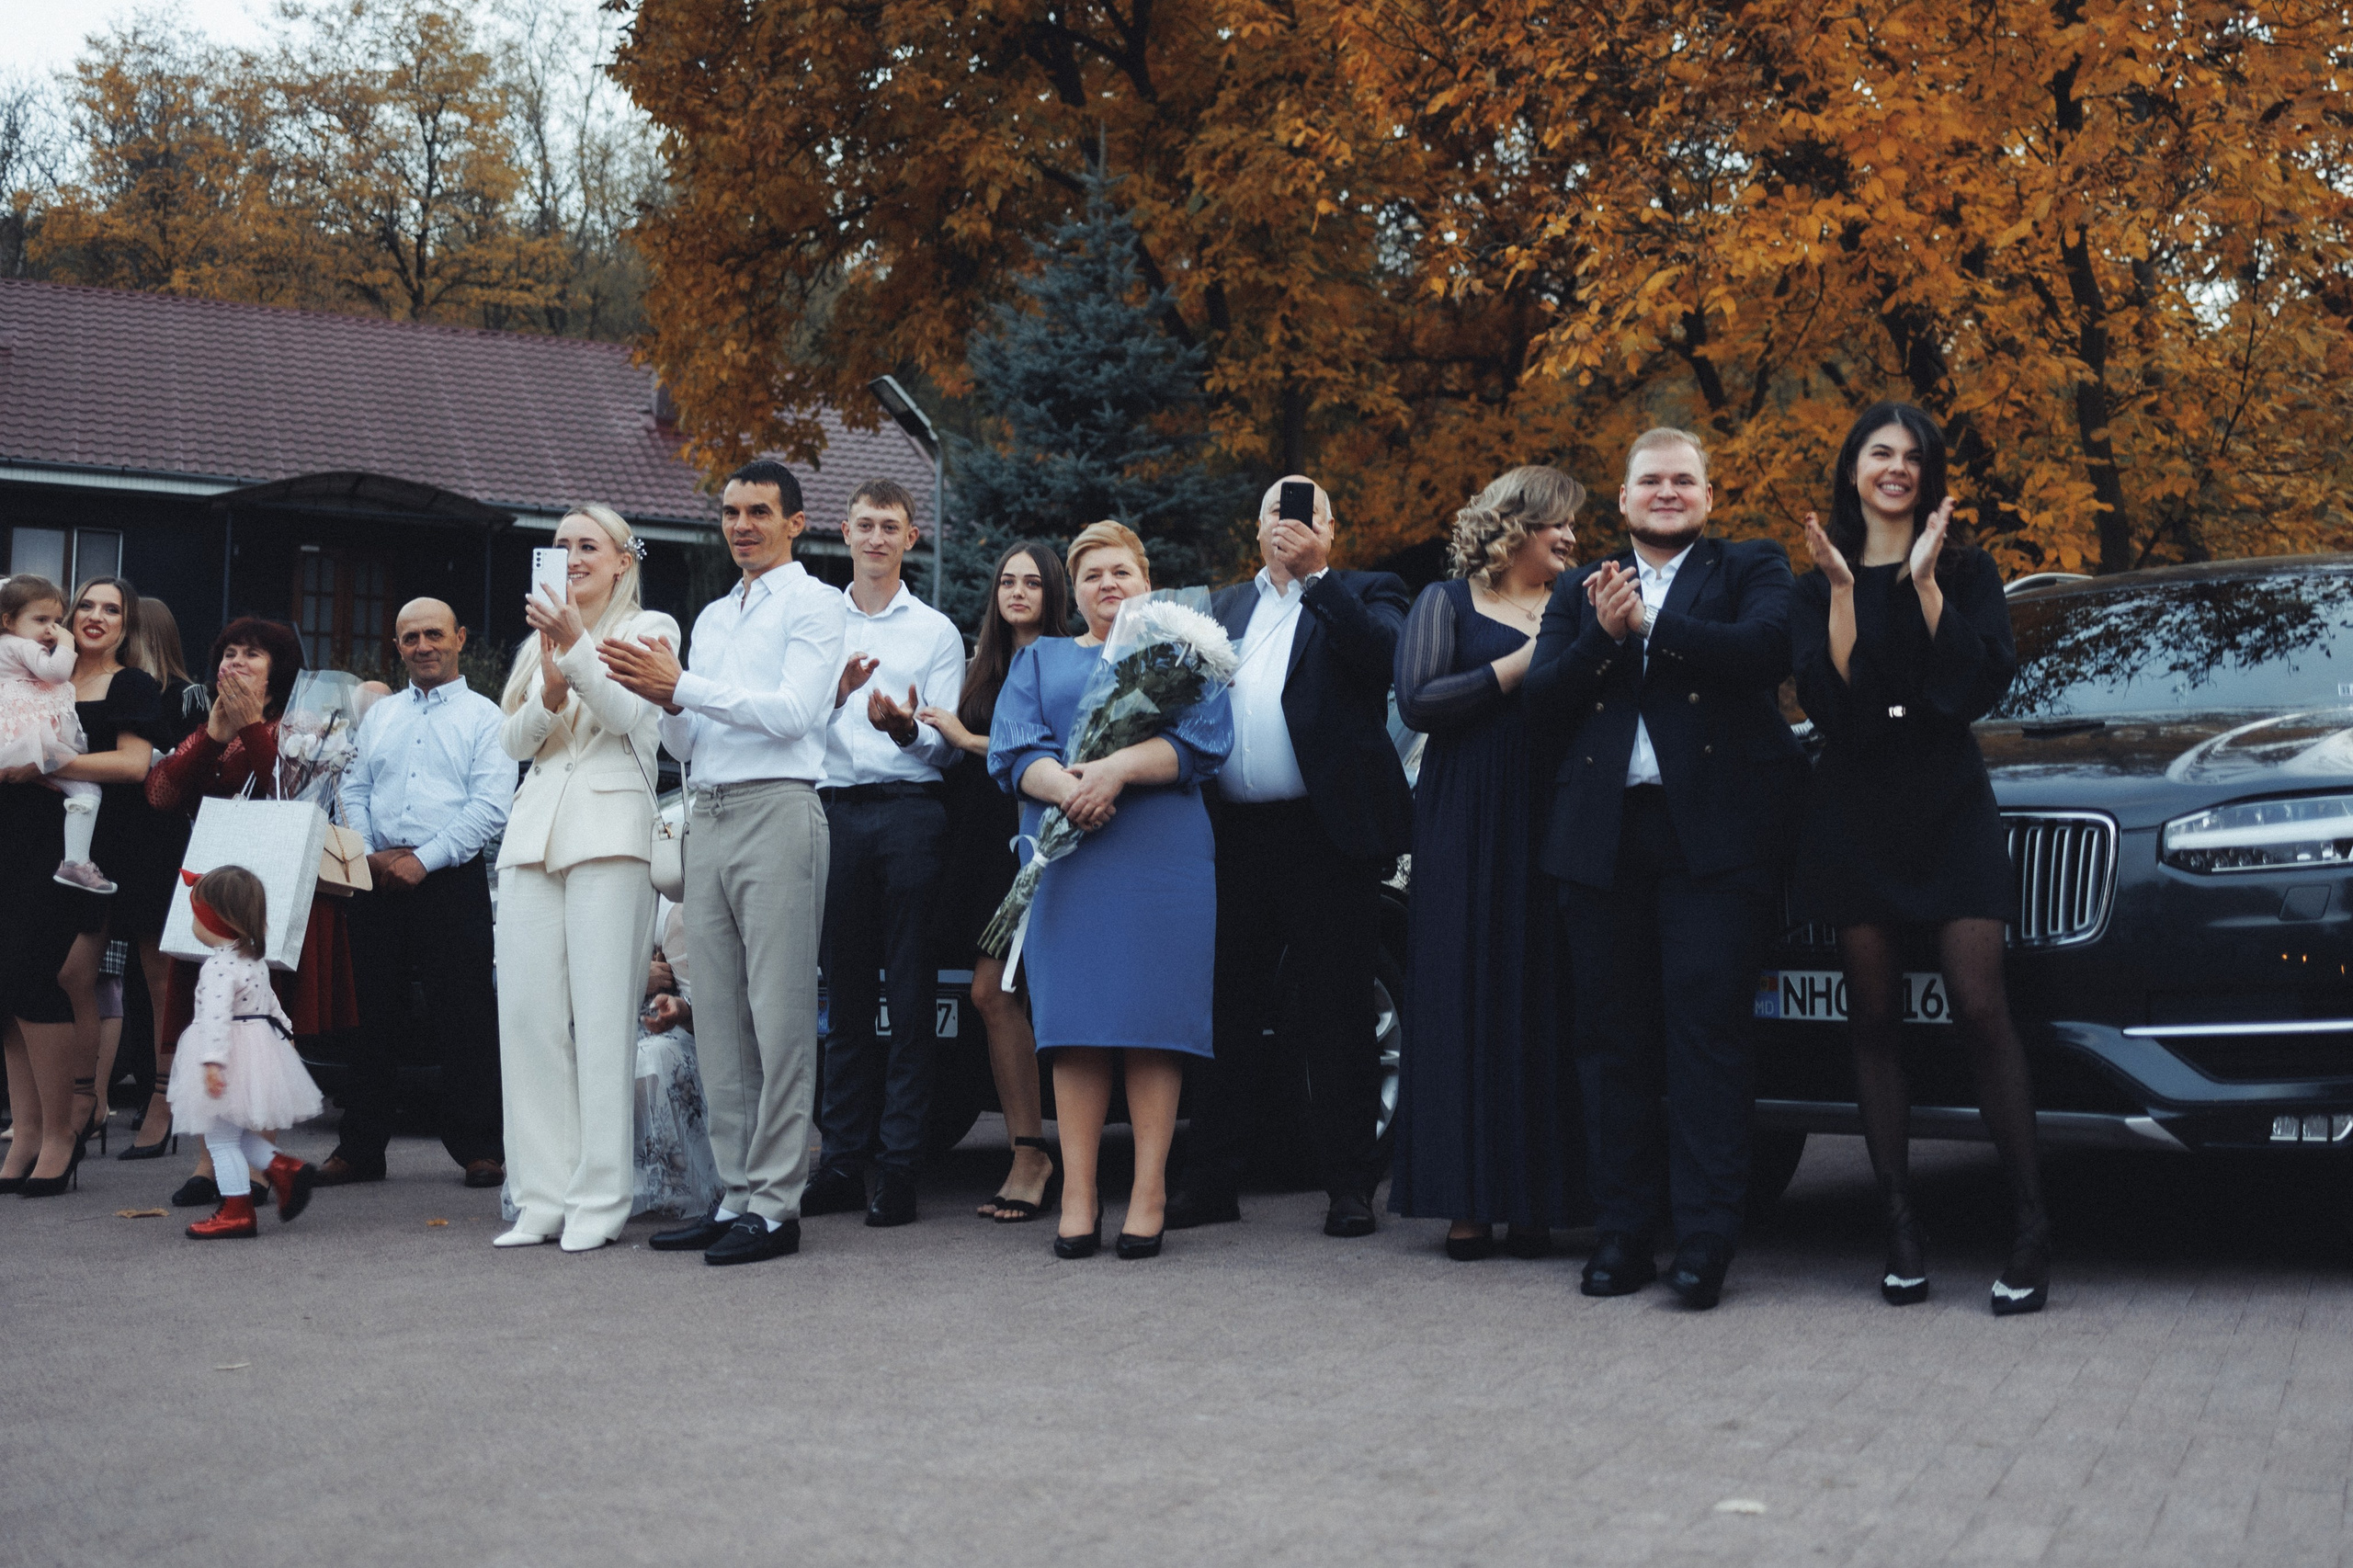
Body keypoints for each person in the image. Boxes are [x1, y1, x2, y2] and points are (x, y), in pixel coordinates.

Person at [1523, 427, 1806, 1310]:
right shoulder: (1579, 587)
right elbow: (1542, 703)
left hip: (1713, 842)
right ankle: (1623, 1234)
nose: (1668, 492)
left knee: (1707, 1039)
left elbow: (1768, 651)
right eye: (1652, 480)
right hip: (1601, 839)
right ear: (1624, 497)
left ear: (1709, 497)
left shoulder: (1751, 567)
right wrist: (1604, 637)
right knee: (1612, 1044)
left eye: (1685, 480)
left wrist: (1653, 624)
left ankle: (1707, 1238)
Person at [1794, 402, 2048, 1315]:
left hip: (1950, 802)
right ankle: (1900, 1227)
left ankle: (2030, 1229)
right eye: (1879, 452)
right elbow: (1833, 704)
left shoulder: (1969, 569)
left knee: (1981, 1006)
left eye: (1911, 455)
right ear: (1853, 467)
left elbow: (1975, 685)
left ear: (1928, 472)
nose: (1895, 467)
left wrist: (1928, 583)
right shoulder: (1814, 579)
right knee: (1872, 1018)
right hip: (1857, 806)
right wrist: (1842, 591)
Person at [603, 458, 846, 1267]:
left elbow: (797, 712)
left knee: (778, 1018)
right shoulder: (711, 616)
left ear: (795, 523)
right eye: (732, 512)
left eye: (759, 512)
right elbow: (688, 738)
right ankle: (737, 1194)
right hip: (705, 810)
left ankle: (776, 1206)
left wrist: (686, 685)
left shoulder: (816, 603)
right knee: (719, 1019)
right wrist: (669, 699)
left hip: (778, 808)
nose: (742, 525)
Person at [1167, 477, 1413, 1240]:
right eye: (1277, 510)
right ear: (1256, 527)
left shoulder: (1367, 591)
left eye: (1306, 514)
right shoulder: (1220, 609)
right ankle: (1212, 1181)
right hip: (1233, 835)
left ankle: (1349, 1186)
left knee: (1337, 1011)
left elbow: (1388, 662)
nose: (1289, 523)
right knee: (1227, 1010)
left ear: (1330, 530)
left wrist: (1317, 580)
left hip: (1325, 836)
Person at [988, 521, 1233, 1259]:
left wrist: (1117, 770)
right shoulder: (1041, 658)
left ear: (1146, 582)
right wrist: (1070, 789)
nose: (1108, 584)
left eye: (1121, 571)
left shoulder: (1182, 654)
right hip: (1071, 858)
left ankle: (1150, 1191)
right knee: (1076, 1028)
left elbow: (1205, 742)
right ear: (1075, 589)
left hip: (1162, 860)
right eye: (1092, 574)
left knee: (1154, 1025)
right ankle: (1079, 1194)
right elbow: (1012, 748)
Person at [1390, 466, 1591, 1259]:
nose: (1572, 536)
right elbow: (1419, 701)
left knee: (1543, 997)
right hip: (1465, 815)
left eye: (1573, 524)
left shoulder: (1578, 605)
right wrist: (1523, 662)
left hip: (1553, 812)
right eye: (1558, 523)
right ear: (1515, 527)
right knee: (1462, 992)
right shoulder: (1445, 603)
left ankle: (1536, 1200)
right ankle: (1465, 1200)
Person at [491, 504, 680, 1250]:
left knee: (602, 1022)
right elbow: (513, 743)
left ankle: (600, 1200)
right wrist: (547, 690)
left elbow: (632, 716)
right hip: (533, 836)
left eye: (587, 545)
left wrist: (575, 649)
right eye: (562, 544)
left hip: (610, 833)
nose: (571, 556)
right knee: (528, 1022)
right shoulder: (535, 638)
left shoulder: (650, 626)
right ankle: (540, 1195)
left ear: (622, 560)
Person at [144, 616, 358, 1208]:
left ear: (277, 672)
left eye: (252, 655)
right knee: (205, 1020)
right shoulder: (209, 723)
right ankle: (210, 1161)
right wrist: (213, 735)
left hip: (271, 895)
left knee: (253, 1030)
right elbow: (161, 794)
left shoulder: (305, 726)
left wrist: (252, 728)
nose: (235, 662)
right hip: (212, 894)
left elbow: (294, 795)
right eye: (229, 652)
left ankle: (261, 1165)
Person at [805, 479, 966, 1228]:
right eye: (865, 525)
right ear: (844, 532)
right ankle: (842, 1160)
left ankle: (899, 1166)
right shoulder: (815, 621)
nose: (876, 538)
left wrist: (903, 727)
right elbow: (790, 722)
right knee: (840, 993)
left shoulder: (935, 631)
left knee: (908, 995)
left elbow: (945, 745)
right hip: (832, 809)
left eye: (890, 526)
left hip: (908, 811)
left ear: (910, 538)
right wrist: (839, 698)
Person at [327, 598, 509, 1190]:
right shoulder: (381, 716)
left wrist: (423, 861)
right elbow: (352, 786)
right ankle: (360, 1149)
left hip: (449, 879)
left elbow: (491, 806)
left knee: (465, 1015)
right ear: (397, 646)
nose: (423, 646)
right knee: (368, 1016)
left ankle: (480, 1148)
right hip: (377, 876)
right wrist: (367, 852)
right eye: (410, 637)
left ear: (460, 638)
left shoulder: (487, 718)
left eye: (434, 634)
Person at [917, 540, 1072, 1221]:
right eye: (1007, 581)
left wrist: (966, 738)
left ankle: (1044, 1153)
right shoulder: (982, 665)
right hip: (984, 850)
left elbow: (1057, 754)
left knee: (1013, 993)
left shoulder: (1069, 659)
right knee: (993, 993)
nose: (1017, 592)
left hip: (1046, 844)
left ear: (1053, 592)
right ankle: (1029, 1151)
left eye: (1031, 582)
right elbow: (956, 753)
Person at [0, 576, 162, 1198]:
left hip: (83, 845)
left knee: (47, 978)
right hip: (19, 833)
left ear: (127, 623)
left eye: (111, 609)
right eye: (85, 605)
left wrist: (42, 760)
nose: (95, 615)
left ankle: (67, 1127)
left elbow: (134, 765)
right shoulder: (40, 667)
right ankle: (29, 1133)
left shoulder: (130, 683)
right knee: (17, 983)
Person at [165, 865, 324, 1239]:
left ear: (216, 921)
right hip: (256, 1047)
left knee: (220, 1139)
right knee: (231, 1133)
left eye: (196, 916)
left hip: (229, 1055)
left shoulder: (218, 966)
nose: (193, 925)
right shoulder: (253, 961)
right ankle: (283, 1169)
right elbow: (270, 1004)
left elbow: (215, 1017)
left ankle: (237, 1211)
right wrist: (286, 1032)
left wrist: (212, 1062)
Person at [119, 597, 208, 1161]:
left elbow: (193, 774)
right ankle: (91, 1097)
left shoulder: (185, 696)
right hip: (110, 837)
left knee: (159, 979)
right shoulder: (107, 686)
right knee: (108, 977)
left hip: (156, 841)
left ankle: (164, 1096)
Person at [0, 574, 115, 892]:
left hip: (15, 743)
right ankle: (76, 861)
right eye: (41, 620)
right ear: (8, 621)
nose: (51, 630)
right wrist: (67, 642)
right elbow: (57, 672)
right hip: (26, 742)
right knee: (87, 789)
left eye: (57, 622)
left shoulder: (7, 647)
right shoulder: (21, 646)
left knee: (82, 788)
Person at [633, 900, 722, 1221]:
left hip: (677, 1034)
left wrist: (678, 1008)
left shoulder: (670, 915)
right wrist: (634, 978)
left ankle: (674, 1177)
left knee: (650, 1056)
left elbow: (709, 1013)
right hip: (610, 1028)